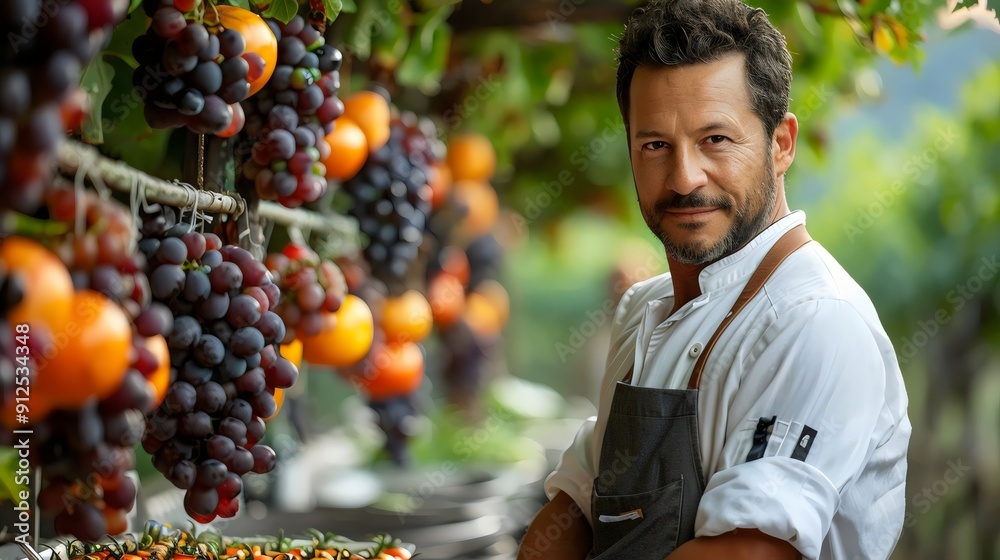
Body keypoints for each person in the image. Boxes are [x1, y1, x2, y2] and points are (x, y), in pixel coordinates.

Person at [516, 1, 911, 559]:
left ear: (781, 144)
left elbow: (747, 552)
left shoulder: (816, 319)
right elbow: (575, 510)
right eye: (655, 144)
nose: (683, 178)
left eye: (716, 140)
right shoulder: (641, 310)